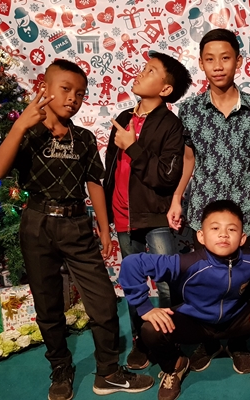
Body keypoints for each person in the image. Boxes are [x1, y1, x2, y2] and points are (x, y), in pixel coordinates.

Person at [0, 59, 153, 400]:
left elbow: (94, 182)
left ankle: (108, 371)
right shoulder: (29, 133)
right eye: (65, 89)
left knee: (104, 302)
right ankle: (60, 367)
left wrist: (105, 229)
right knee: (48, 304)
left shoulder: (83, 138)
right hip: (37, 224)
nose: (72, 99)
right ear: (45, 89)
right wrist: (19, 126)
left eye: (80, 94)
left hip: (77, 224)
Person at [120, 200, 250, 400]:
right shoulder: (186, 263)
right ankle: (175, 366)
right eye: (215, 228)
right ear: (201, 236)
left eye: (231, 229)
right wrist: (144, 307)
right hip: (198, 324)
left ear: (242, 238)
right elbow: (132, 264)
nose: (223, 234)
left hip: (237, 321)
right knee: (150, 329)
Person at [103, 52, 192, 370]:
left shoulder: (171, 125)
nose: (141, 73)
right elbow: (110, 169)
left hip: (155, 216)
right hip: (123, 217)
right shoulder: (123, 116)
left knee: (167, 281)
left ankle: (171, 339)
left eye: (151, 71)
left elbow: (166, 176)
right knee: (133, 282)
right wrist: (106, 215)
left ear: (166, 89)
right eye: (143, 68)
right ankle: (141, 339)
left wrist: (133, 146)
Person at [166, 28, 250, 247]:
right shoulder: (189, 110)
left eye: (225, 58)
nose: (217, 66)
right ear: (201, 63)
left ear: (238, 61)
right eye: (210, 59)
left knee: (244, 269)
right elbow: (188, 158)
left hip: (244, 210)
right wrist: (177, 198)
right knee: (205, 269)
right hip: (203, 210)